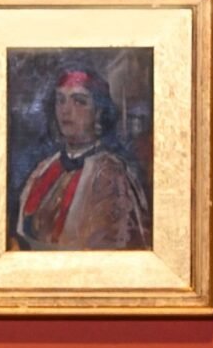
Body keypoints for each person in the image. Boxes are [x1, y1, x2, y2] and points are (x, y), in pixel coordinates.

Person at [12, 67, 150, 250]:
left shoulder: (111, 175)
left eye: (79, 101)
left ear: (99, 112)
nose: (65, 110)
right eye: (60, 100)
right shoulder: (45, 168)